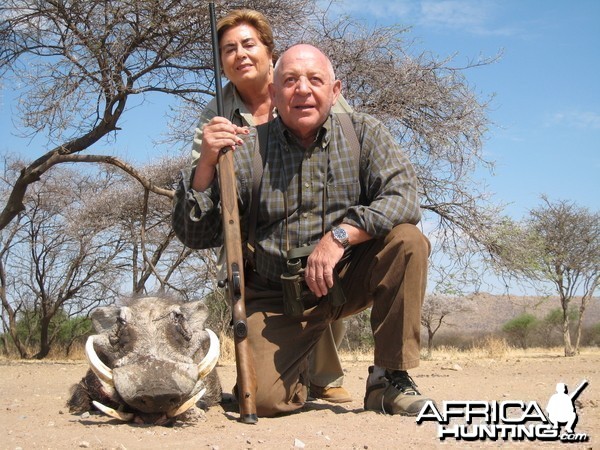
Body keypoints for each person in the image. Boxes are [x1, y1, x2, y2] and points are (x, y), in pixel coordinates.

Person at [173, 43, 431, 417]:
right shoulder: (246, 149)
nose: (304, 90)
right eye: (290, 81)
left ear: (336, 90)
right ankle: (297, 373)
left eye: (315, 79)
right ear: (274, 94)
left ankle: (390, 378)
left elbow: (404, 198)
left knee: (408, 241)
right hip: (277, 296)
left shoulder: (365, 132)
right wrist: (205, 167)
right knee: (263, 402)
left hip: (343, 280)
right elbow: (197, 235)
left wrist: (340, 236)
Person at [190, 9, 352, 403]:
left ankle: (326, 377)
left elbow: (344, 144)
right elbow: (203, 183)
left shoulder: (302, 86)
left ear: (268, 51)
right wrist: (209, 156)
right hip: (257, 231)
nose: (240, 55)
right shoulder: (215, 115)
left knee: (317, 268)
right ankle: (274, 374)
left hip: (320, 214)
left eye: (249, 44)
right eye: (228, 49)